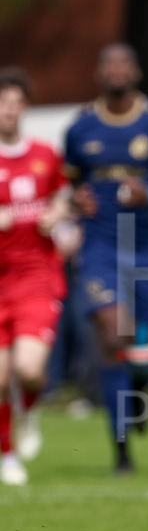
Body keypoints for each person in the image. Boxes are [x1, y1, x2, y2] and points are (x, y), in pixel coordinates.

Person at [64, 43, 148, 473]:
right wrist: (75, 199)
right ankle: (120, 446)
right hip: (101, 245)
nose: (117, 70)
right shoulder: (81, 127)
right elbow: (68, 185)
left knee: (145, 345)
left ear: (136, 72)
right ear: (99, 73)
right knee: (112, 334)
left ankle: (141, 389)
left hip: (147, 247)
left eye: (124, 63)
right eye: (109, 64)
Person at [0, 67, 71, 485]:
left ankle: (29, 409)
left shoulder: (45, 154)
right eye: (1, 103)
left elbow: (66, 196)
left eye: (14, 102)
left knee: (28, 370)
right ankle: (7, 455)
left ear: (25, 107)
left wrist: (58, 214)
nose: (8, 111)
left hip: (37, 276)